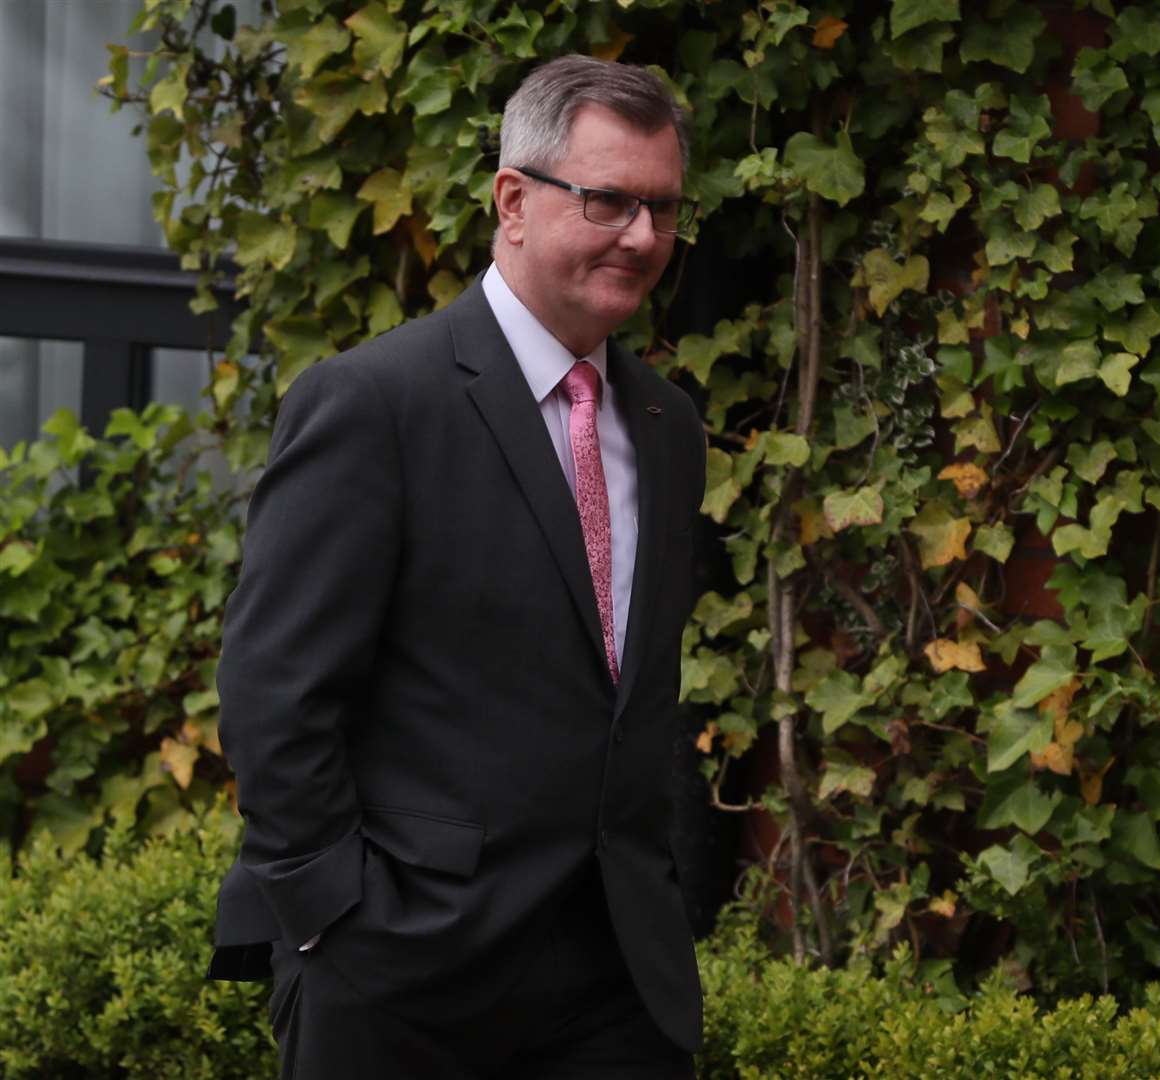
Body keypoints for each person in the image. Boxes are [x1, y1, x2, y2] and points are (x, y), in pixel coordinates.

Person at [205, 55, 706, 1078]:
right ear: (513, 201)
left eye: (662, 209)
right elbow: (275, 691)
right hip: (402, 981)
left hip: (616, 985)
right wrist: (333, 915)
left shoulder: (667, 425)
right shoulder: (375, 403)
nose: (645, 238)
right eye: (609, 201)